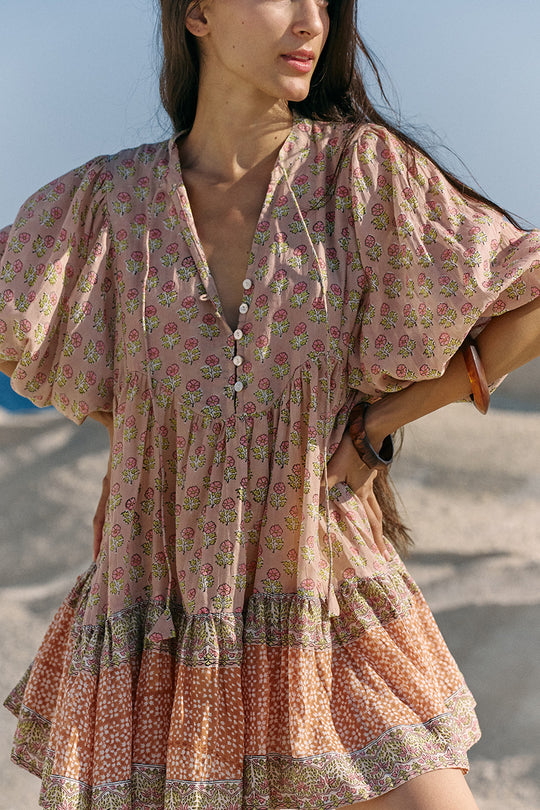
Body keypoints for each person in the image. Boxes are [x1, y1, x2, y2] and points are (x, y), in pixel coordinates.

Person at [1, 0, 539, 808]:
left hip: (325, 590)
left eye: (324, 3)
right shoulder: (106, 204)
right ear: (198, 13)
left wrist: (380, 424)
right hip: (166, 611)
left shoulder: (359, 175)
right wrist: (144, 433)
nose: (311, 22)